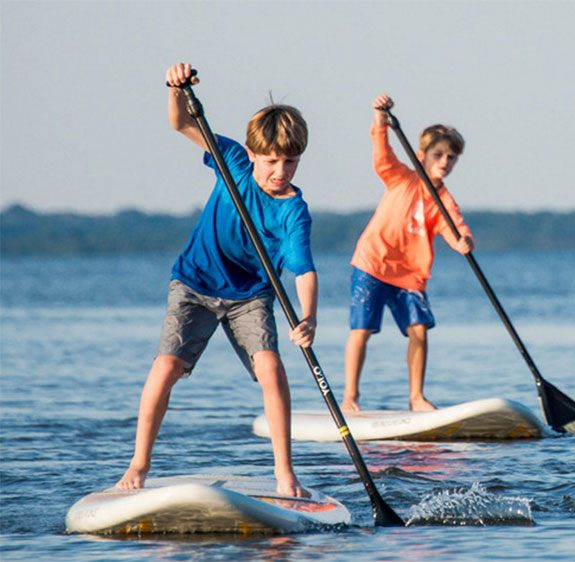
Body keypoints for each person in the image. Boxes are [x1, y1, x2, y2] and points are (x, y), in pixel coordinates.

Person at [116, 62, 317, 498]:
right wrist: (175, 88)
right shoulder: (233, 161)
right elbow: (181, 122)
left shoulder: (293, 210)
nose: (280, 171)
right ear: (253, 153)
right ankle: (138, 465)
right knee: (166, 367)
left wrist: (308, 319)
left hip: (250, 295)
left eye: (290, 161)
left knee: (271, 368)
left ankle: (286, 474)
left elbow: (304, 270)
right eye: (271, 161)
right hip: (194, 284)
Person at [343, 94, 474, 413]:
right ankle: (350, 397)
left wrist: (465, 241)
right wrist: (380, 120)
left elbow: (455, 228)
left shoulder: (444, 199)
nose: (445, 162)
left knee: (419, 331)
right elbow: (382, 155)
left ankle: (416, 397)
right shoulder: (401, 176)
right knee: (361, 331)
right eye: (439, 154)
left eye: (452, 157)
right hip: (373, 263)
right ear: (422, 156)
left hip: (409, 275)